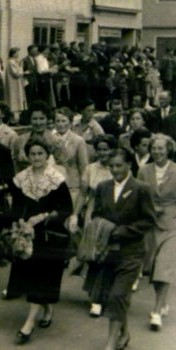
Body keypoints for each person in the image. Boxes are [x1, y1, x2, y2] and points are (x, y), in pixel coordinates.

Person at [91, 149, 155, 350]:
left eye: (119, 165)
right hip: (108, 251)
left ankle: (110, 344)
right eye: (112, 166)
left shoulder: (141, 189)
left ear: (129, 165)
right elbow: (96, 214)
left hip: (131, 251)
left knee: (119, 294)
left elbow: (148, 220)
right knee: (111, 295)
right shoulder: (102, 188)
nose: (115, 170)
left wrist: (123, 231)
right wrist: (102, 230)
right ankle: (124, 332)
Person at [6, 137, 72, 343]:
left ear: (47, 155)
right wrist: (19, 221)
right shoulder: (20, 179)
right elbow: (15, 206)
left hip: (50, 236)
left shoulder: (56, 179)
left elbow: (66, 208)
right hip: (27, 236)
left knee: (44, 276)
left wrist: (43, 216)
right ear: (27, 155)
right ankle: (47, 308)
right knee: (33, 277)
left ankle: (28, 324)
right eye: (32, 154)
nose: (36, 158)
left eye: (40, 154)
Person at [138, 133, 176, 331]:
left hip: (174, 225)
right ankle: (162, 302)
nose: (157, 152)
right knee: (153, 269)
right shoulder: (144, 171)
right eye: (154, 148)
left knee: (164, 265)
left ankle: (156, 311)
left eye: (161, 148)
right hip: (151, 225)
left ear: (168, 149)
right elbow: (141, 198)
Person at [69, 133, 116, 317]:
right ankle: (95, 298)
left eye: (106, 149)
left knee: (108, 255)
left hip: (112, 215)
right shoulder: (90, 169)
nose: (103, 153)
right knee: (95, 255)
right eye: (100, 150)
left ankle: (104, 295)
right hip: (93, 214)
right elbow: (83, 194)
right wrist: (75, 214)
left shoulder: (117, 168)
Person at [51, 106, 88, 208]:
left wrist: (84, 190)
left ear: (70, 122)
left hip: (72, 186)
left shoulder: (78, 141)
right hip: (53, 184)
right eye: (58, 121)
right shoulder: (49, 139)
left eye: (64, 121)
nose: (60, 124)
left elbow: (83, 167)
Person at [13, 101, 55, 172]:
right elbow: (16, 166)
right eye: (35, 119)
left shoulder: (55, 140)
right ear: (30, 120)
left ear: (47, 119)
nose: (38, 123)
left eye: (42, 119)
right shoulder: (21, 140)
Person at [4, 47, 27, 123]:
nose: (18, 54)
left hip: (18, 83)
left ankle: (17, 119)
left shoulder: (15, 61)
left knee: (19, 100)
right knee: (14, 100)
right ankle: (13, 120)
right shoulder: (11, 62)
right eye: (17, 53)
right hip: (13, 84)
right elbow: (16, 73)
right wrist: (22, 69)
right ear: (13, 54)